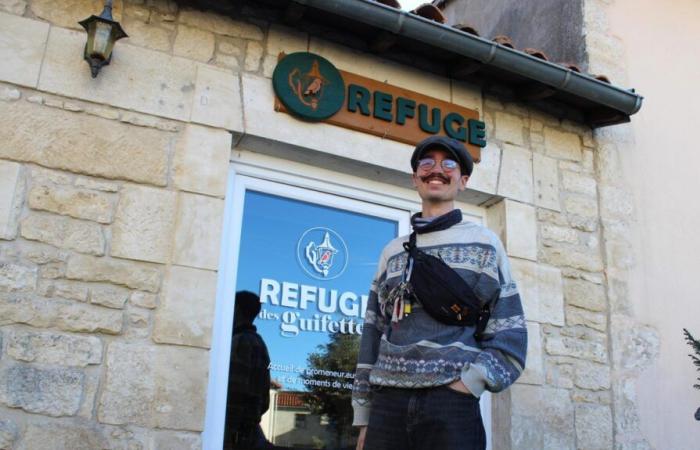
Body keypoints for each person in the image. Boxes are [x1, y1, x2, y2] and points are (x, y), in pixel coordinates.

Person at [351, 136, 527, 450]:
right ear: (415, 178)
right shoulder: (392, 252)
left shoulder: (484, 245)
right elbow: (372, 333)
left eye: (449, 164)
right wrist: (364, 415)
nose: (437, 170)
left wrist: (467, 384)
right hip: (387, 407)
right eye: (426, 162)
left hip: (450, 405)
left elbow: (510, 334)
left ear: (464, 181)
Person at [224, 291, 273, 450]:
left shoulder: (240, 342)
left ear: (236, 309)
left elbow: (234, 392)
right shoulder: (260, 343)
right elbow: (264, 400)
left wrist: (228, 433)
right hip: (248, 433)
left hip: (236, 436)